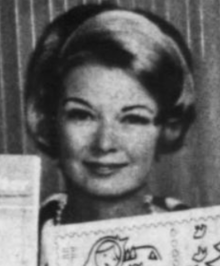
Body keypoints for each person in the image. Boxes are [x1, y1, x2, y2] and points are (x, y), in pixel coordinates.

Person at [25, 3, 195, 265]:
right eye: (82, 115)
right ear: (52, 120)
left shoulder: (199, 241)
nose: (105, 143)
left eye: (133, 118)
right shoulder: (14, 240)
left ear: (166, 127)